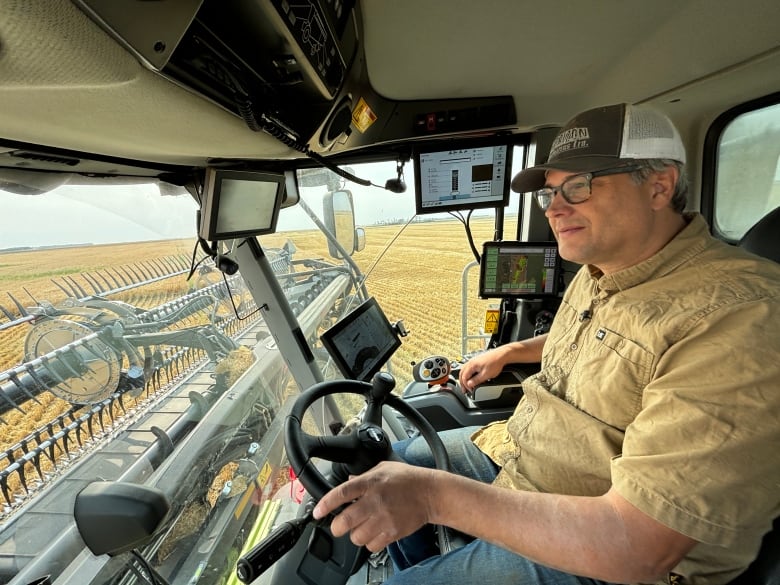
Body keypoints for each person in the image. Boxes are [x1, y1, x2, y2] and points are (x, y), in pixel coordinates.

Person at [313, 103, 780, 585]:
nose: (555, 208)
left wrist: (433, 497)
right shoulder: (604, 266)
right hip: (528, 455)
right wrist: (509, 352)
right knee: (405, 457)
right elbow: (595, 339)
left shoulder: (741, 316)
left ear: (659, 184)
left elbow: (640, 545)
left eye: (578, 186)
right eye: (550, 194)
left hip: (617, 550)